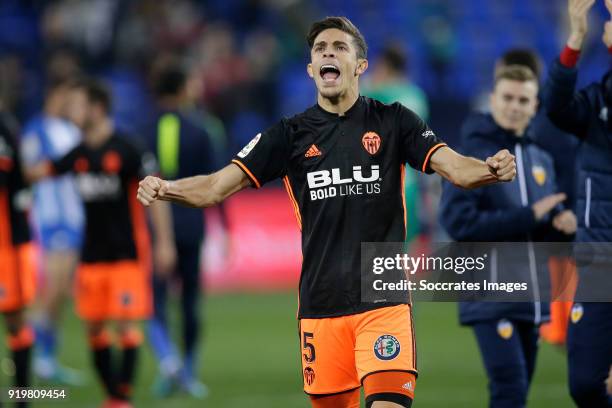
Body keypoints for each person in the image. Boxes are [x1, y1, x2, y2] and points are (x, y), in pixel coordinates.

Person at [137, 17, 517, 408]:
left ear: (360, 65)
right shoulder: (289, 135)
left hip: (383, 302)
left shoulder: (394, 121)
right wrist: (167, 188)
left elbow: (454, 167)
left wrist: (489, 169)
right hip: (321, 306)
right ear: (311, 69)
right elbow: (217, 186)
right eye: (320, 50)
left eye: (339, 47)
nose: (328, 54)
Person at [27, 79, 175, 408]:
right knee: (94, 328)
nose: (71, 111)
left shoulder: (127, 148)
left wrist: (164, 242)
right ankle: (113, 395)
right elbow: (39, 172)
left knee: (125, 325)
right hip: (91, 257)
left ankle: (121, 397)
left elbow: (159, 194)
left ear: (96, 108)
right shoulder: (78, 153)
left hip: (126, 255)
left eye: (77, 105)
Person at [439, 65, 577, 408]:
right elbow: (460, 223)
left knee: (516, 392)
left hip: (531, 297)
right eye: (508, 97)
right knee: (510, 387)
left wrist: (559, 226)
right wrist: (531, 214)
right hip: (488, 292)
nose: (514, 106)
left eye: (523, 99)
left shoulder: (539, 156)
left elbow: (535, 235)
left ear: (535, 106)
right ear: (492, 100)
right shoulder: (471, 157)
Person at [543, 0, 612, 406]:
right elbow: (556, 108)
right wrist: (574, 38)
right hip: (599, 263)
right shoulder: (599, 96)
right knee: (584, 384)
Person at [146, 64, 226, 398]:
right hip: (193, 224)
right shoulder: (203, 128)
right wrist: (227, 228)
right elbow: (219, 183)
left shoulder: (147, 127)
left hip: (158, 225)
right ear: (181, 89)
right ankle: (188, 371)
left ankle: (169, 363)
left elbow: (152, 178)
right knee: (191, 301)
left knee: (156, 301)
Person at [19, 78, 85, 384]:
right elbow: (28, 171)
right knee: (52, 290)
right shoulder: (37, 129)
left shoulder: (73, 130)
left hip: (75, 219)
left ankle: (47, 357)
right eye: (67, 97)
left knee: (61, 295)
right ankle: (25, 345)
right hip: (50, 218)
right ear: (54, 95)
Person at [0, 103, 36, 407]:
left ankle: (23, 398)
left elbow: (18, 182)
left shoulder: (5, 128)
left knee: (15, 319)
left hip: (8, 246)